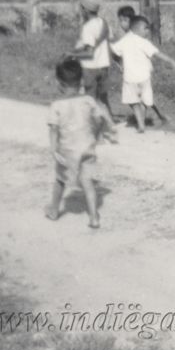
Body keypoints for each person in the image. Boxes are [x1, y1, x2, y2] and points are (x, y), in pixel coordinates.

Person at [46, 57, 117, 229]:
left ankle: (54, 210)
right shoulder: (88, 100)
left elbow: (54, 130)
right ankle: (94, 217)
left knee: (61, 180)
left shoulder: (56, 106)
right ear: (81, 82)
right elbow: (102, 118)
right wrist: (101, 134)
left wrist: (54, 150)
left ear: (59, 83)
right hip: (87, 147)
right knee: (87, 181)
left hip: (66, 151)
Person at [109, 15, 175, 133]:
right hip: (144, 77)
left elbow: (113, 50)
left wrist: (118, 62)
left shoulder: (125, 40)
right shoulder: (144, 42)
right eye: (145, 28)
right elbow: (158, 54)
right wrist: (171, 61)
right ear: (136, 29)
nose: (148, 30)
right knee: (145, 100)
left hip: (130, 77)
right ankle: (141, 122)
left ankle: (141, 124)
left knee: (133, 101)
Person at [112, 5, 168, 126]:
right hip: (139, 71)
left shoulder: (131, 37)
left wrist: (119, 63)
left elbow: (115, 52)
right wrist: (119, 63)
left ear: (129, 21)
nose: (121, 24)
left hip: (138, 71)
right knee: (145, 97)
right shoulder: (131, 37)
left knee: (140, 98)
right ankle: (154, 117)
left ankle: (143, 120)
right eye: (120, 21)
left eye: (123, 20)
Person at [69, 0, 114, 117]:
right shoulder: (104, 23)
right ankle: (109, 121)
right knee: (103, 98)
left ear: (84, 9)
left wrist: (73, 56)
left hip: (90, 68)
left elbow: (89, 53)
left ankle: (92, 123)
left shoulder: (88, 27)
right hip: (104, 66)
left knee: (90, 98)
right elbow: (107, 44)